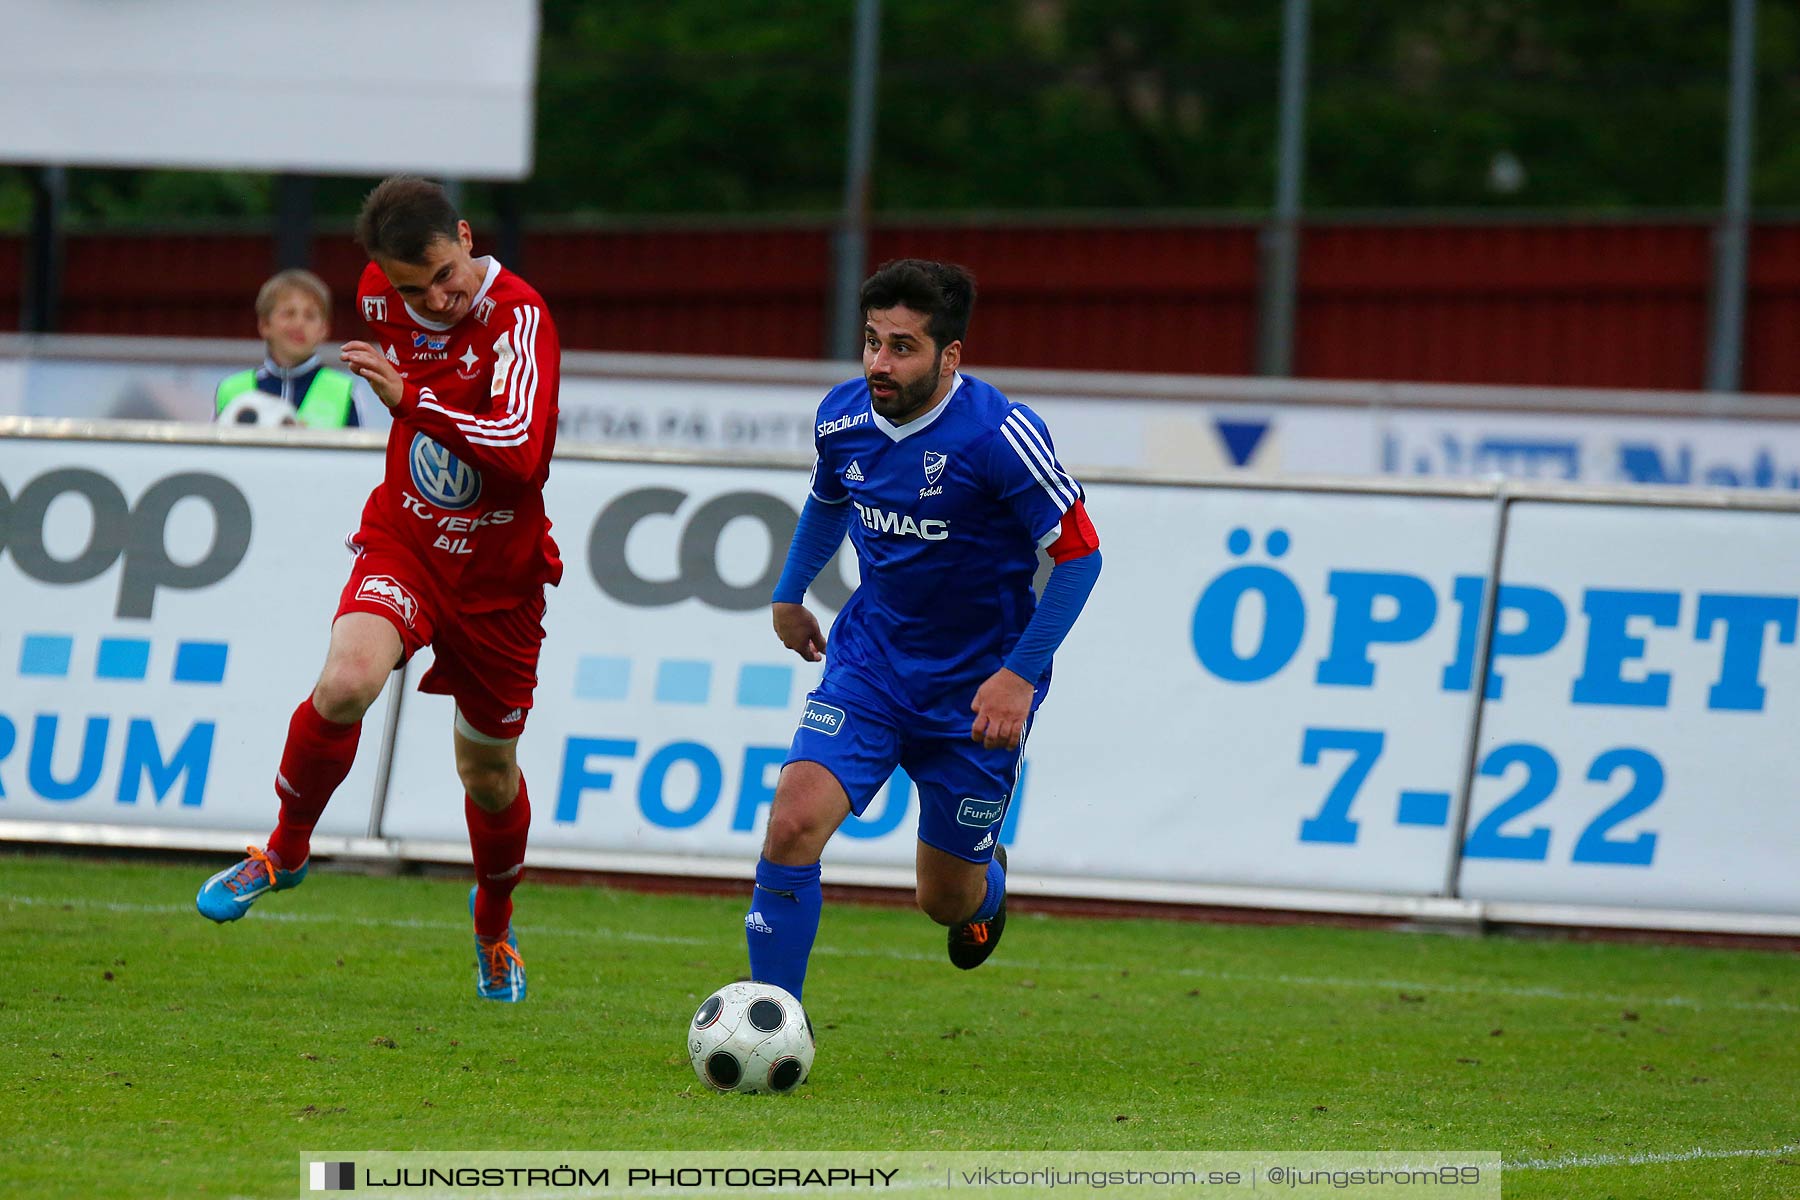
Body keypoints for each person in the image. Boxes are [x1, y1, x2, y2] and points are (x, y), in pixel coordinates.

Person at [195, 176, 563, 1004]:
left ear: (466, 237)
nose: (434, 297)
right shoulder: (377, 298)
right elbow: (411, 354)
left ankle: (494, 926)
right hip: (406, 542)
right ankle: (284, 853)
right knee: (346, 681)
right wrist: (415, 397)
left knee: (489, 774)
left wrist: (414, 401)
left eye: (442, 274)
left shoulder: (522, 317)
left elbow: (521, 455)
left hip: (501, 581)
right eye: (410, 287)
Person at [747, 259, 1102, 1005]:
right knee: (791, 825)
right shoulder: (843, 416)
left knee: (945, 900)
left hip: (977, 693)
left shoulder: (1000, 436)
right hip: (870, 666)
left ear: (950, 357)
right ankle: (773, 1020)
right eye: (872, 341)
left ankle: (987, 882)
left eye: (902, 346)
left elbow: (1079, 558)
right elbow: (827, 500)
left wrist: (1018, 676)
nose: (880, 362)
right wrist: (789, 592)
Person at [213, 268, 385, 429]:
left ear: (324, 329)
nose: (299, 323)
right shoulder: (231, 389)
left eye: (310, 316)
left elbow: (356, 459)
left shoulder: (345, 391)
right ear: (264, 324)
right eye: (289, 313)